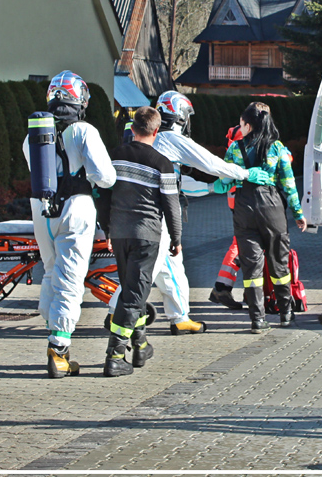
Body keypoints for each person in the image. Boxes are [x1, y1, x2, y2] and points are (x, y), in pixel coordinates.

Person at [106, 91, 270, 334]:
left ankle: (179, 317)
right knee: (143, 273)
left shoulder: (152, 141)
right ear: (180, 116)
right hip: (156, 219)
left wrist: (209, 187)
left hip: (138, 215)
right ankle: (115, 314)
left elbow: (177, 183)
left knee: (170, 269)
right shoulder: (171, 139)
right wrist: (244, 174)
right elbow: (209, 162)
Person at [23, 71, 116, 379]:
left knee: (51, 271)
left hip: (40, 209)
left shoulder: (32, 135)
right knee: (71, 278)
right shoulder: (83, 131)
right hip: (76, 208)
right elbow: (106, 176)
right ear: (80, 101)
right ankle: (59, 349)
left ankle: (53, 328)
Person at [101, 106, 182, 377]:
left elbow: (102, 194)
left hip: (119, 233)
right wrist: (177, 237)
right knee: (134, 295)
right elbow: (171, 206)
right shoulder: (162, 163)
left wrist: (107, 228)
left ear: (132, 128)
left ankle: (141, 344)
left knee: (131, 290)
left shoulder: (114, 156)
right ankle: (115, 354)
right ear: (156, 132)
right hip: (146, 235)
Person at [221, 102, 307, 333]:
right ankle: (285, 313)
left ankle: (257, 320)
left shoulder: (234, 149)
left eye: (241, 124)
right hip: (272, 208)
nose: (240, 128)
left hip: (244, 207)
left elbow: (225, 180)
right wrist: (298, 214)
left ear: (248, 125)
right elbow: (289, 185)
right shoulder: (278, 148)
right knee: (279, 263)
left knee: (251, 268)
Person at [209, 124, 249, 310]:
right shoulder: (248, 134)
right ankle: (222, 288)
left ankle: (246, 291)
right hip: (245, 197)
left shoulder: (234, 132)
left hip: (235, 195)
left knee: (246, 243)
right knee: (242, 243)